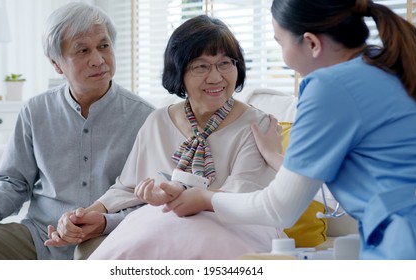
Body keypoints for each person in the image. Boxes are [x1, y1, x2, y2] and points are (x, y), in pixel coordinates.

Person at [155, 0, 416, 260]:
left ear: (311, 43)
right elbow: (335, 183)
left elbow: (280, 208)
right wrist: (274, 157)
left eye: (280, 42)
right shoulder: (385, 67)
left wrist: (204, 198)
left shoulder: (329, 89)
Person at [47, 15, 284, 260]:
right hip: (167, 223)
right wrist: (85, 213)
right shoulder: (158, 121)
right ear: (179, 72)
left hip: (235, 225)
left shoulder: (258, 124)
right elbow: (128, 186)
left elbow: (242, 195)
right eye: (201, 66)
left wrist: (176, 195)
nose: (216, 77)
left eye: (225, 63)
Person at [0, 2, 154, 260]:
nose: (98, 59)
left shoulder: (145, 117)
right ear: (57, 64)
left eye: (104, 46)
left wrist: (106, 222)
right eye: (82, 50)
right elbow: (13, 184)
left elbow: (149, 202)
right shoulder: (35, 111)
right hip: (40, 236)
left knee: (88, 256)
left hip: (111, 237)